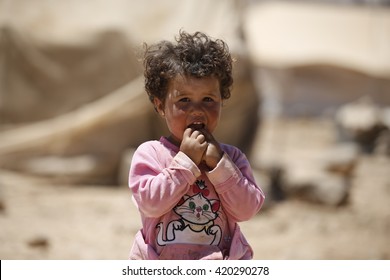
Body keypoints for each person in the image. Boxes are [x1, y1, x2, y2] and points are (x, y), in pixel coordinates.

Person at [128, 30, 265, 260]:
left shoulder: (232, 158)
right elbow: (151, 204)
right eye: (184, 100)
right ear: (160, 106)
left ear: (222, 102)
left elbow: (247, 210)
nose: (197, 110)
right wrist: (185, 162)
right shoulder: (150, 154)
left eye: (209, 100)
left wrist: (220, 165)